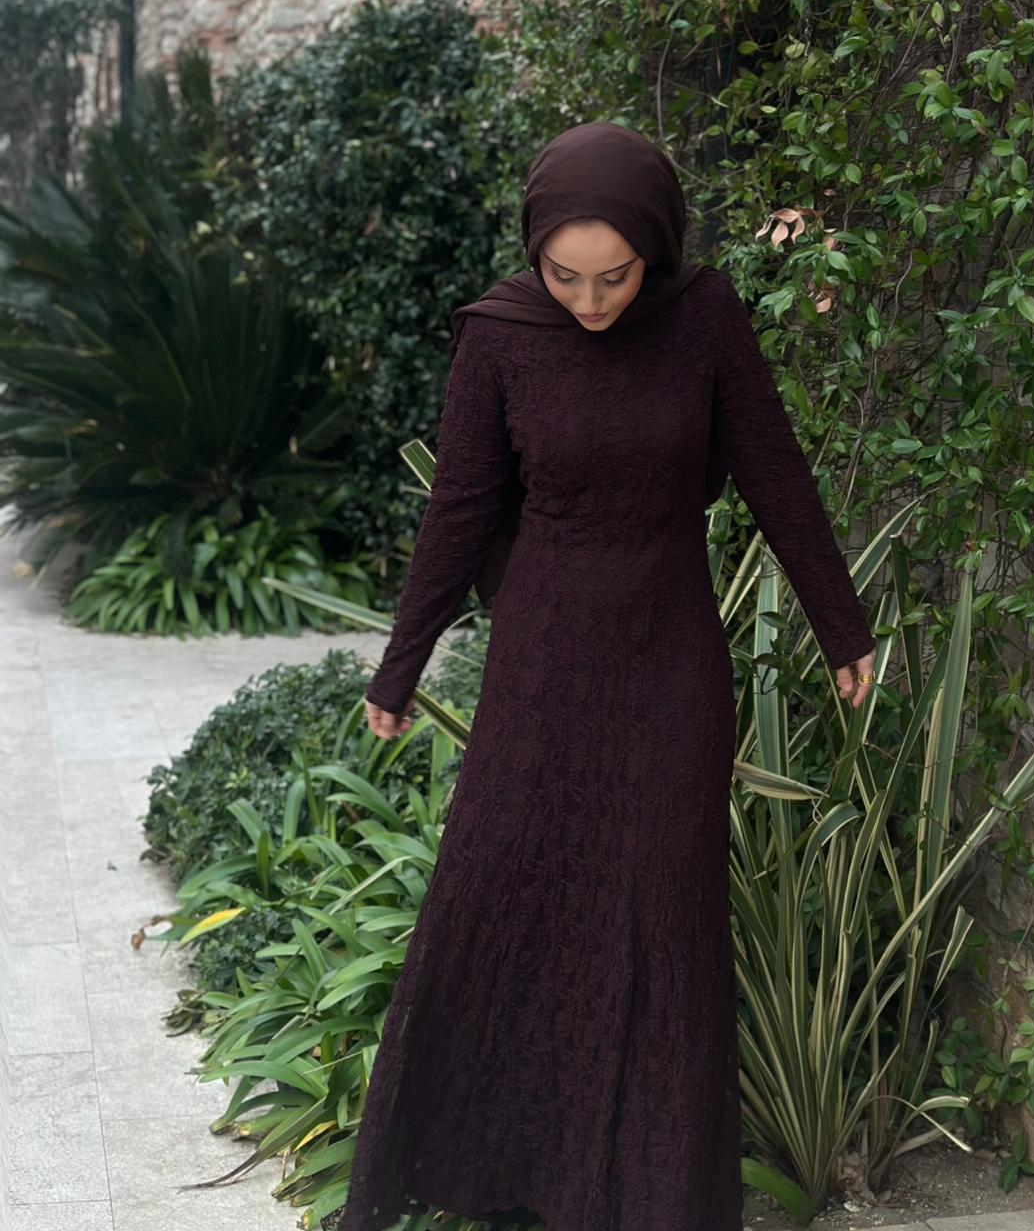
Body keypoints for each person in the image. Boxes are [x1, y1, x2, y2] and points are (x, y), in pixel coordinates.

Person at [339, 121, 876, 1231]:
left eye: (615, 276)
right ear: (534, 255)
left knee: (660, 925)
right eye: (565, 276)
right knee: (507, 898)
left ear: (658, 248)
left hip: (672, 669)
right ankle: (513, 1177)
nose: (590, 301)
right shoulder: (500, 335)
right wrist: (400, 667)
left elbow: (775, 472)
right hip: (540, 671)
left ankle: (649, 1201)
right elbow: (461, 510)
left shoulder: (705, 320)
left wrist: (841, 625)